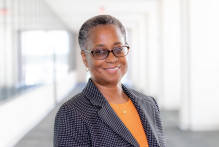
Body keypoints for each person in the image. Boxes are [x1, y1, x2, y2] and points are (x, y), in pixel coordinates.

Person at [54, 15, 166, 147]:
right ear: (85, 58)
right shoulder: (72, 113)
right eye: (100, 51)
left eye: (118, 49)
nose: (112, 59)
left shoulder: (149, 104)